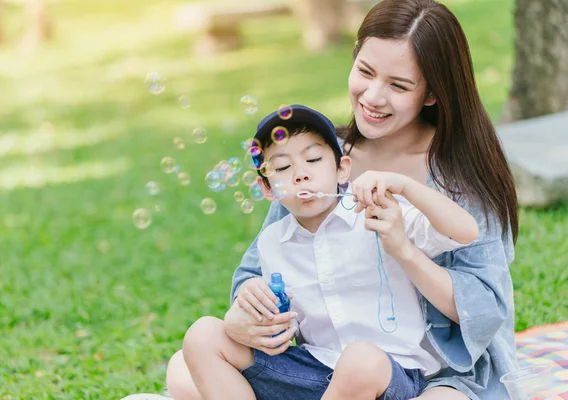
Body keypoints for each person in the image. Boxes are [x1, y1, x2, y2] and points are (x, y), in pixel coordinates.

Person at [166, 0, 519, 399]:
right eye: (365, 71)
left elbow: (484, 310)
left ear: (433, 93)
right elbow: (263, 270)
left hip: (437, 372)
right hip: (333, 367)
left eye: (398, 85)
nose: (372, 95)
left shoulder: (456, 176)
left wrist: (404, 250)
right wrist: (242, 319)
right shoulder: (319, 157)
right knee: (185, 365)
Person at [178, 104, 479, 400]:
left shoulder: (379, 213)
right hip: (314, 372)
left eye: (313, 159)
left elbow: (464, 231)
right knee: (202, 335)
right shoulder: (272, 243)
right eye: (282, 167)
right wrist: (263, 313)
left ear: (342, 170)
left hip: (389, 374)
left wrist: (402, 186)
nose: (300, 175)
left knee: (360, 359)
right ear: (267, 189)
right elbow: (289, 326)